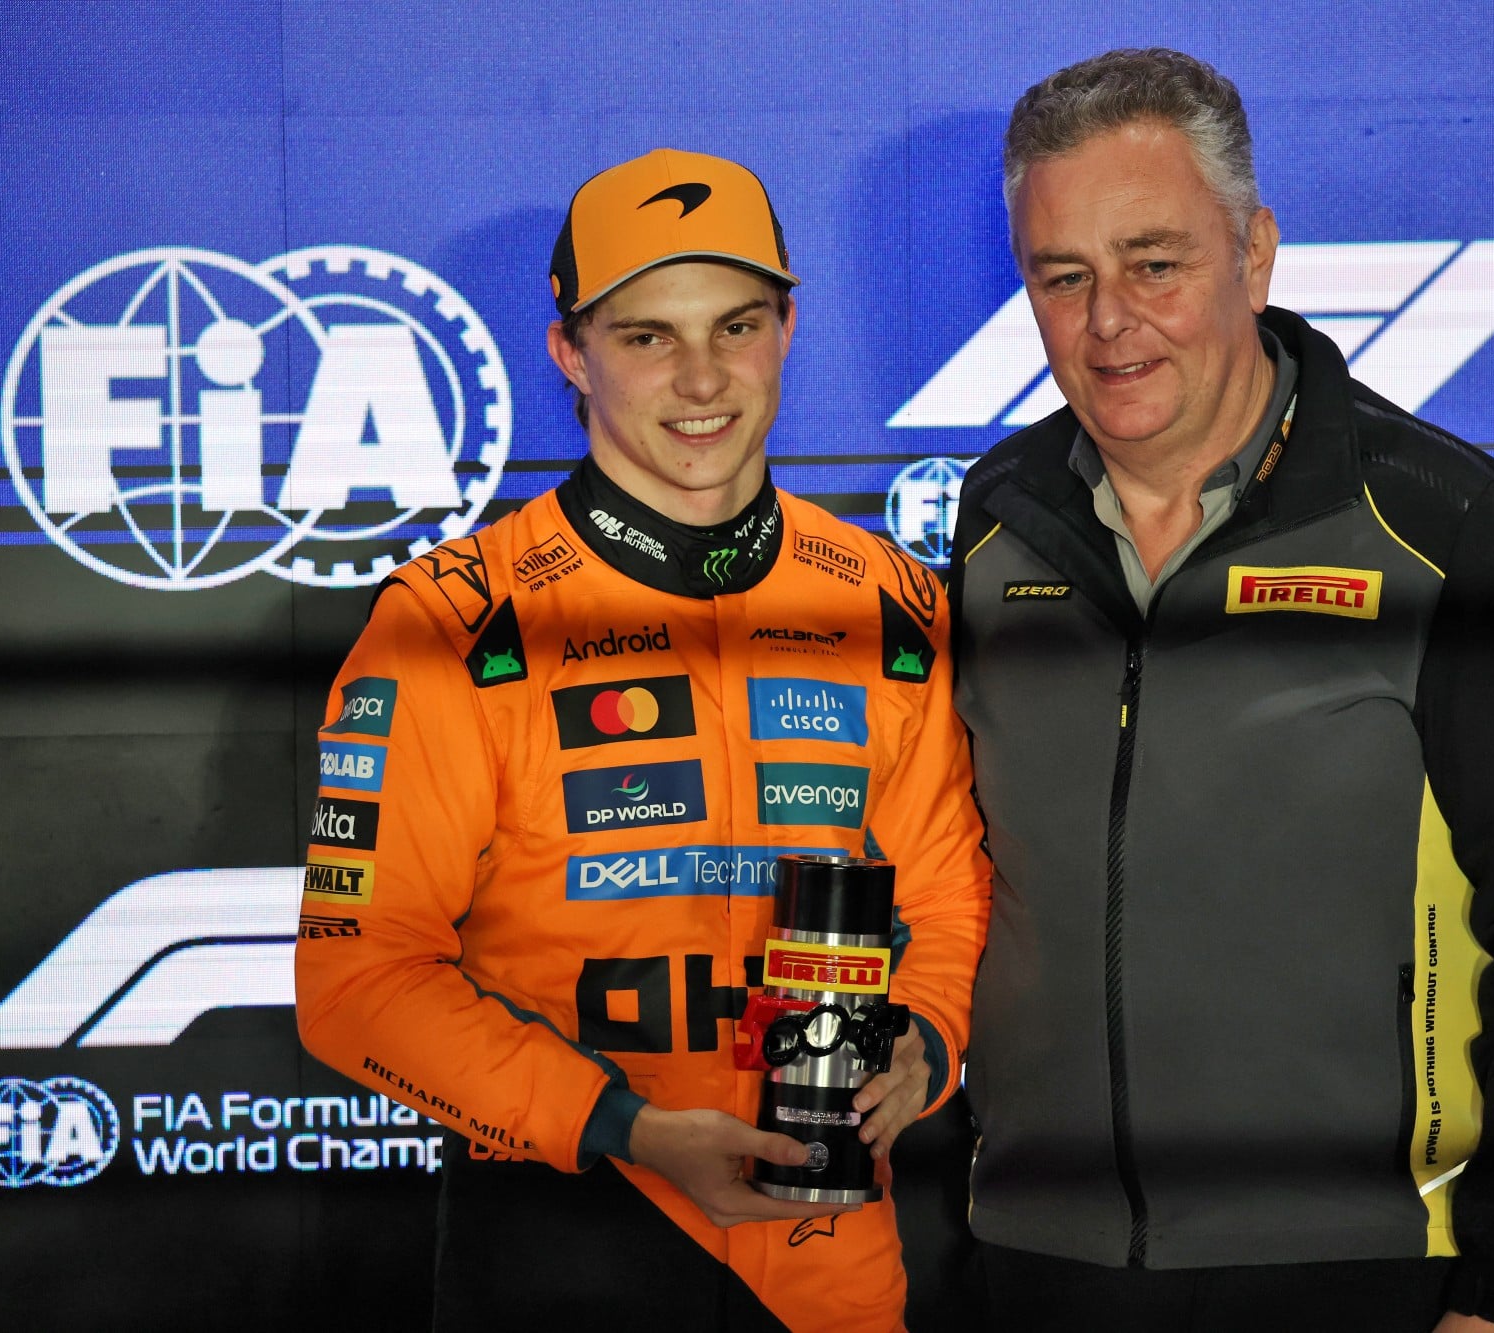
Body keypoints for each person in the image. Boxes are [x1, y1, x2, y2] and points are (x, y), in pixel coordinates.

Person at [948, 49, 1494, 1333]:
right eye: (1063, 276)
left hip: (1364, 1274)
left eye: (1153, 264)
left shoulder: (1443, 525)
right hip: (1033, 1268)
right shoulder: (992, 526)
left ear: (1253, 253)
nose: (1109, 323)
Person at [295, 147, 991, 1332]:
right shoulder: (453, 621)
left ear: (787, 328)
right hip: (565, 1247)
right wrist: (624, 1126)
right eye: (646, 335)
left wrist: (922, 1041)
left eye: (737, 325)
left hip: (828, 1266)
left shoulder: (888, 605)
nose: (702, 377)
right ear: (569, 352)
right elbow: (354, 981)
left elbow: (949, 897)